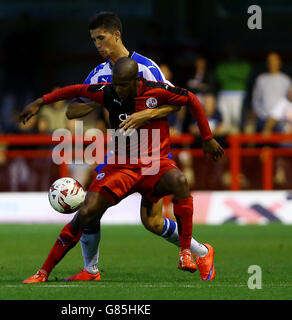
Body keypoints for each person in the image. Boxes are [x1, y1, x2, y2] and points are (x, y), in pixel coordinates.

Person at [19, 57, 224, 283]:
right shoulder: (108, 93)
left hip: (152, 164)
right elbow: (73, 90)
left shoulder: (157, 91)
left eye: (122, 84)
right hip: (120, 165)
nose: (117, 89)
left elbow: (191, 99)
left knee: (179, 181)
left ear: (136, 81)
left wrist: (207, 138)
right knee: (87, 213)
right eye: (115, 83)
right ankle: (44, 272)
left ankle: (187, 253)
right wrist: (40, 101)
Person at [60, 12, 217, 282]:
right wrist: (106, 97)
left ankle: (201, 251)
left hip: (151, 155)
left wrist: (147, 114)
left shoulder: (145, 68)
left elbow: (178, 101)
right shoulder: (98, 74)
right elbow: (72, 111)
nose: (97, 44)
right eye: (93, 40)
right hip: (119, 156)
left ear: (117, 35)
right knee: (91, 208)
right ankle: (90, 269)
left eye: (101, 38)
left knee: (153, 222)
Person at [252, 52, 292, 132]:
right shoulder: (261, 79)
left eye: (274, 61)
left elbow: (288, 101)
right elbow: (255, 100)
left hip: (282, 121)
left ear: (279, 62)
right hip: (263, 119)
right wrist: (261, 114)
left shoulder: (286, 80)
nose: (272, 63)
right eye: (270, 61)